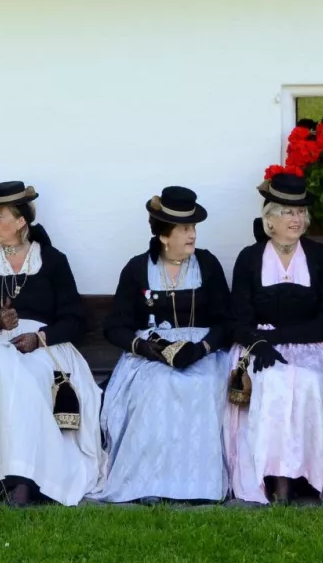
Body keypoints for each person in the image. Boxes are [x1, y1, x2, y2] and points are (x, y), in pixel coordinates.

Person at [0, 182, 101, 506]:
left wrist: (40, 338)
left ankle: (26, 476)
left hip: (43, 345)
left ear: (21, 220)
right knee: (1, 365)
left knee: (27, 372)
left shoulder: (52, 261)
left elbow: (74, 318)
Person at [95, 186, 234, 503]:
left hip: (203, 353)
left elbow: (227, 321)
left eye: (194, 228)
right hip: (151, 354)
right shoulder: (137, 269)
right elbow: (114, 325)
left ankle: (199, 485)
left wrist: (200, 349)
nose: (192, 235)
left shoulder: (207, 266)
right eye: (185, 229)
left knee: (203, 386)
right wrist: (143, 348)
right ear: (164, 235)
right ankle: (149, 482)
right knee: (155, 387)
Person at [224, 172, 323, 504]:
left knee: (306, 381)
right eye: (288, 212)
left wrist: (281, 337)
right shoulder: (250, 258)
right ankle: (275, 479)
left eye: (301, 212)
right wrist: (258, 342)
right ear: (270, 219)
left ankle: (308, 476)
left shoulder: (320, 257)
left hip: (313, 344)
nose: (297, 219)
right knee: (273, 382)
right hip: (258, 346)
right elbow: (237, 318)